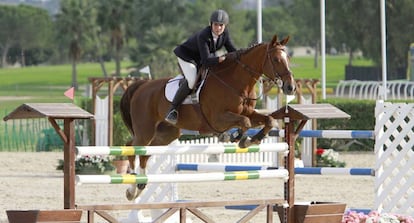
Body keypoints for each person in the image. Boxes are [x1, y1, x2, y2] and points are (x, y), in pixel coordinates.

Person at [165, 9, 237, 125]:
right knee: (192, 80)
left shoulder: (225, 34)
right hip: (186, 56)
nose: (218, 28)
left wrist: (244, 55)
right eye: (215, 25)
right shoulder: (204, 35)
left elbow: (233, 51)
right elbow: (206, 60)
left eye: (221, 25)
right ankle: (172, 110)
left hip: (201, 58)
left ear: (225, 26)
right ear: (211, 24)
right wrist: (219, 59)